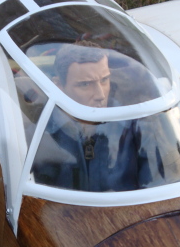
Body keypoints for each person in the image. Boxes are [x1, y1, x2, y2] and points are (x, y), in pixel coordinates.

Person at [31, 41, 156, 191]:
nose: (100, 95)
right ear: (58, 86)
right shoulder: (38, 137)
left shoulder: (136, 129)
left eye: (104, 80)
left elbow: (154, 188)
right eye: (85, 84)